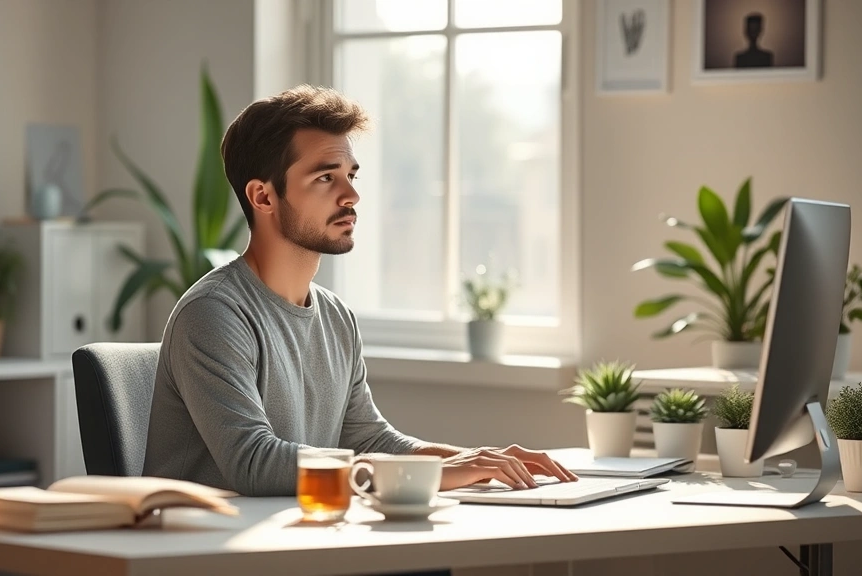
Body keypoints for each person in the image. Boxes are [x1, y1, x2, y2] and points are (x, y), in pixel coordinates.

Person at [141, 84, 579, 499]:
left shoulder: (335, 316)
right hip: (208, 553)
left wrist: (474, 460)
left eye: (350, 174)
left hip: (297, 538)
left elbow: (367, 437)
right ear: (263, 196)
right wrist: (431, 475)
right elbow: (253, 462)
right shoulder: (214, 314)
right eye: (325, 178)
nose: (351, 194)